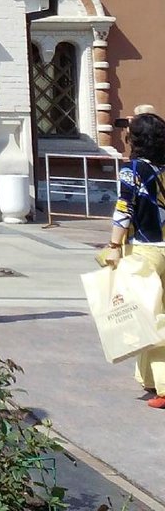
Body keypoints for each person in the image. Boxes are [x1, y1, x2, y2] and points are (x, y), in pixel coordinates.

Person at [101, 111, 165, 407]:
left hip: (145, 251)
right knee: (154, 315)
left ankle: (163, 386)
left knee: (150, 319)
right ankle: (150, 380)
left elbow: (124, 208)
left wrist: (114, 244)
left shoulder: (134, 169)